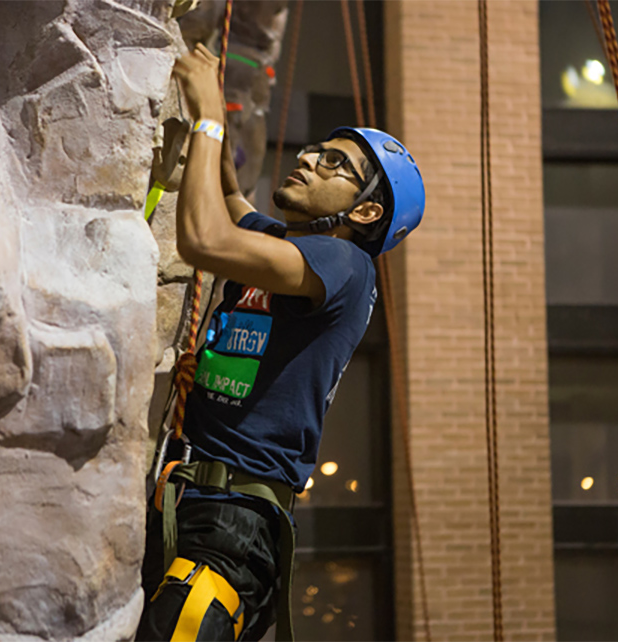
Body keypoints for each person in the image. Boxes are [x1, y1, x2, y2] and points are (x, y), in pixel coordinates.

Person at [136, 44, 425, 642]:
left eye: (335, 165)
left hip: (229, 528)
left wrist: (212, 114)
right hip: (194, 503)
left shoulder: (342, 262)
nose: (311, 159)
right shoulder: (292, 244)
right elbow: (232, 201)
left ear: (367, 211)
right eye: (316, 149)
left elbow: (204, 240)